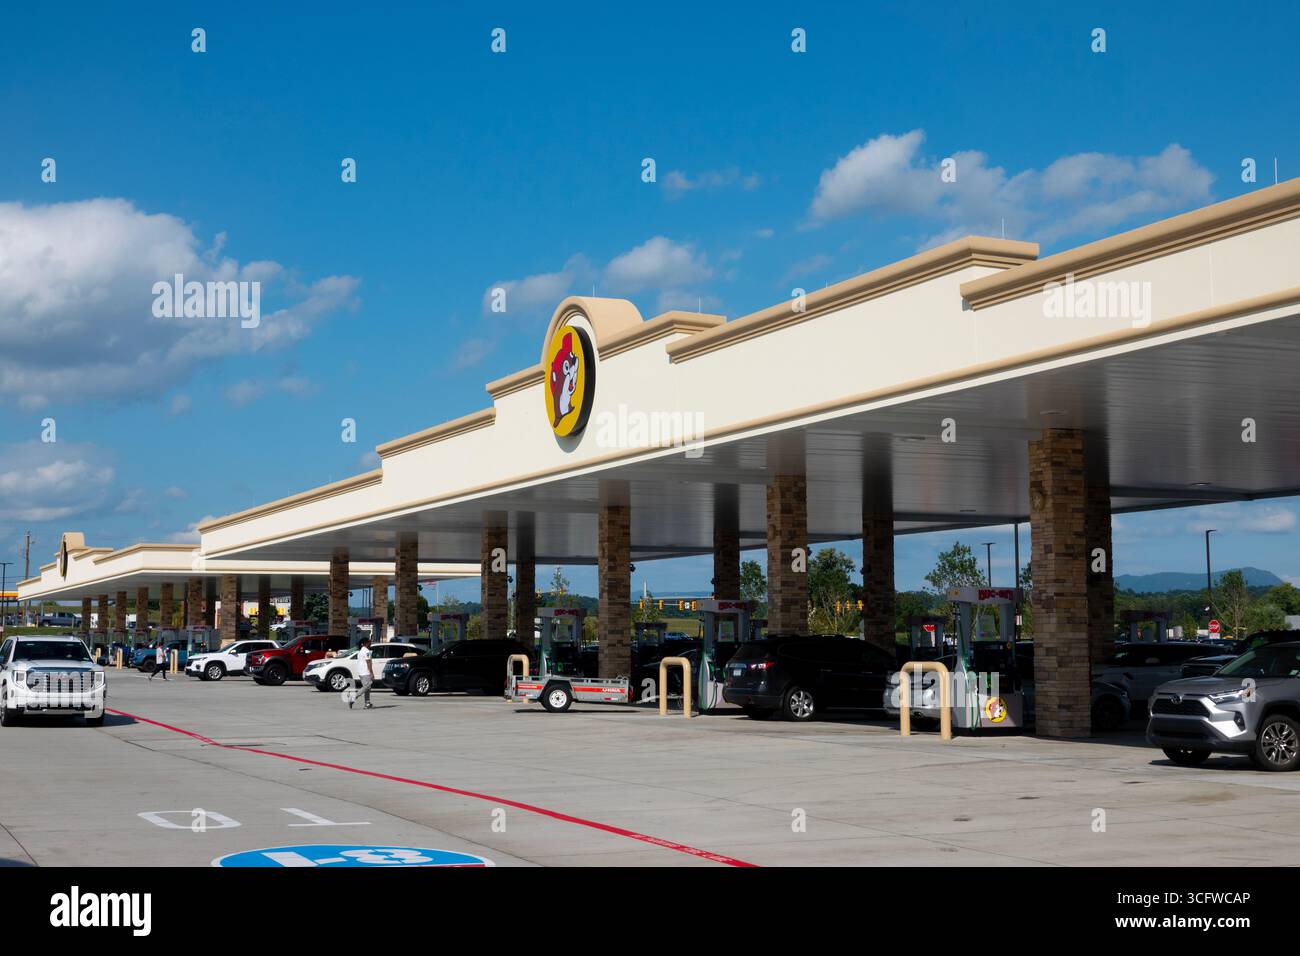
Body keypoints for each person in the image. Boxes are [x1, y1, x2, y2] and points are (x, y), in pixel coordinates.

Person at [350, 636, 373, 710]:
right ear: (366, 643)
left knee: (367, 688)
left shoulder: (360, 651)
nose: (370, 643)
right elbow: (368, 662)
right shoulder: (366, 651)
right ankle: (354, 697)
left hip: (361, 672)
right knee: (367, 687)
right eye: (369, 642)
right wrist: (371, 672)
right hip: (365, 672)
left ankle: (367, 703)